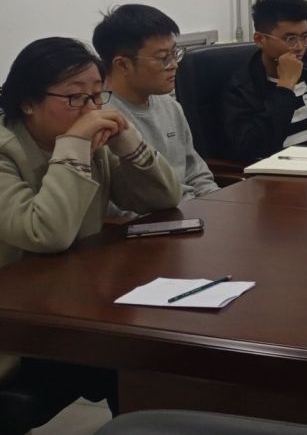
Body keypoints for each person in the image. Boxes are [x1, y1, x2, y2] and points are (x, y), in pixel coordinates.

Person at [0, 37, 181, 424]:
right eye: (75, 98)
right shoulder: (8, 151)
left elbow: (164, 197)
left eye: (97, 96)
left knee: (153, 351)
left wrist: (128, 141)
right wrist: (74, 145)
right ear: (28, 102)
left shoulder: (87, 140)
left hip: (70, 302)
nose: (91, 110)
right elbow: (44, 233)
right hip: (15, 326)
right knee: (135, 353)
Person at [92, 4, 219, 200]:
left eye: (175, 54)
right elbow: (117, 205)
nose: (174, 65)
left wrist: (217, 203)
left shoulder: (170, 106)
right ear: (122, 64)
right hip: (153, 216)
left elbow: (197, 174)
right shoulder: (102, 119)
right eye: (163, 58)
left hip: (194, 210)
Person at [224, 0, 307, 163]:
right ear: (260, 39)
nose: (300, 47)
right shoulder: (241, 88)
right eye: (290, 39)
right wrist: (286, 86)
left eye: (304, 37)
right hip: (284, 169)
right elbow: (252, 148)